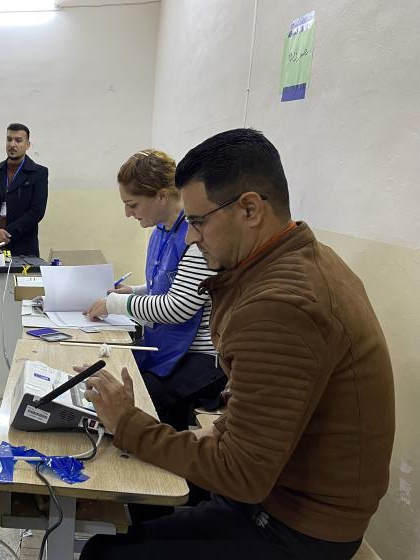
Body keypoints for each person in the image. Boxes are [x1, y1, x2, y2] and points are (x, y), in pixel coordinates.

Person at [79, 129, 395, 560]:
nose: (190, 238)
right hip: (285, 497)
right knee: (144, 497)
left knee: (105, 550)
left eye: (198, 222)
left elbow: (240, 473)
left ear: (249, 208)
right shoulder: (305, 259)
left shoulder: (280, 305)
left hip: (296, 527)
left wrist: (129, 423)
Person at [85, 150, 226, 431]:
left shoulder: (194, 235)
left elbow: (178, 307)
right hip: (170, 350)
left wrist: (115, 304)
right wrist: (132, 291)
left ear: (162, 195)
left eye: (133, 204)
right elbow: (166, 283)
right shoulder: (162, 230)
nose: (128, 213)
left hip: (201, 360)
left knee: (135, 403)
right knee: (114, 379)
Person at [0, 123, 48, 256]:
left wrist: (7, 233)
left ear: (27, 145)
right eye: (9, 139)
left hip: (23, 246)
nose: (12, 144)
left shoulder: (38, 173)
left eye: (18, 140)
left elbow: (37, 211)